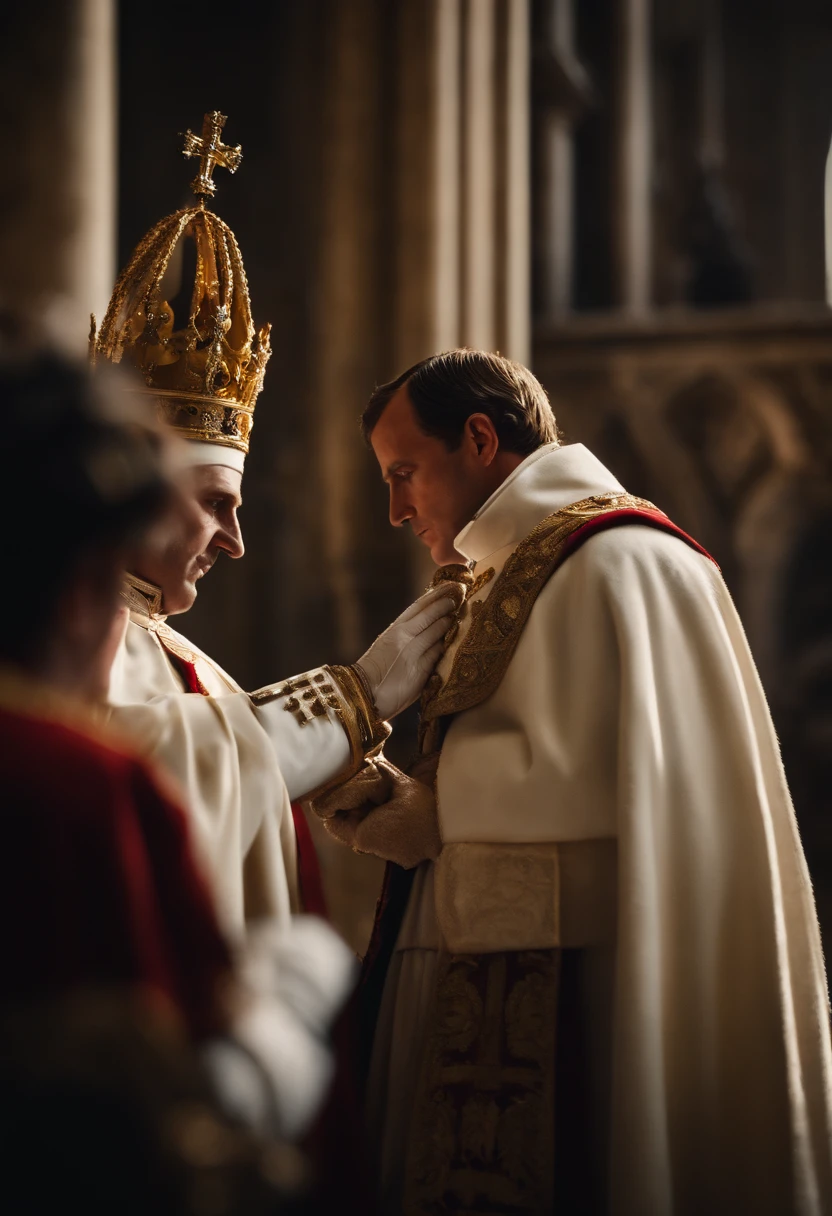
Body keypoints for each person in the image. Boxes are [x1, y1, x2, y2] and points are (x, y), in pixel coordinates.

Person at [314, 348, 832, 1215]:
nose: (397, 510)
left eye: (404, 475)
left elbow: (636, 791)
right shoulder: (498, 572)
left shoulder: (627, 563)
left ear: (480, 438)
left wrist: (431, 812)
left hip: (590, 1001)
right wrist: (405, 803)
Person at [0, 342, 355, 1212]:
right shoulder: (83, 788)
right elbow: (186, 1092)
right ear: (84, 590)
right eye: (215, 506)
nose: (233, 543)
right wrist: (291, 996)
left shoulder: (170, 667)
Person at [93, 112, 460, 938]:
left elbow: (216, 749)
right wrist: (353, 700)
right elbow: (137, 773)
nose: (235, 541)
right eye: (216, 504)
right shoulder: (55, 626)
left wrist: (348, 788)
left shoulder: (169, 649)